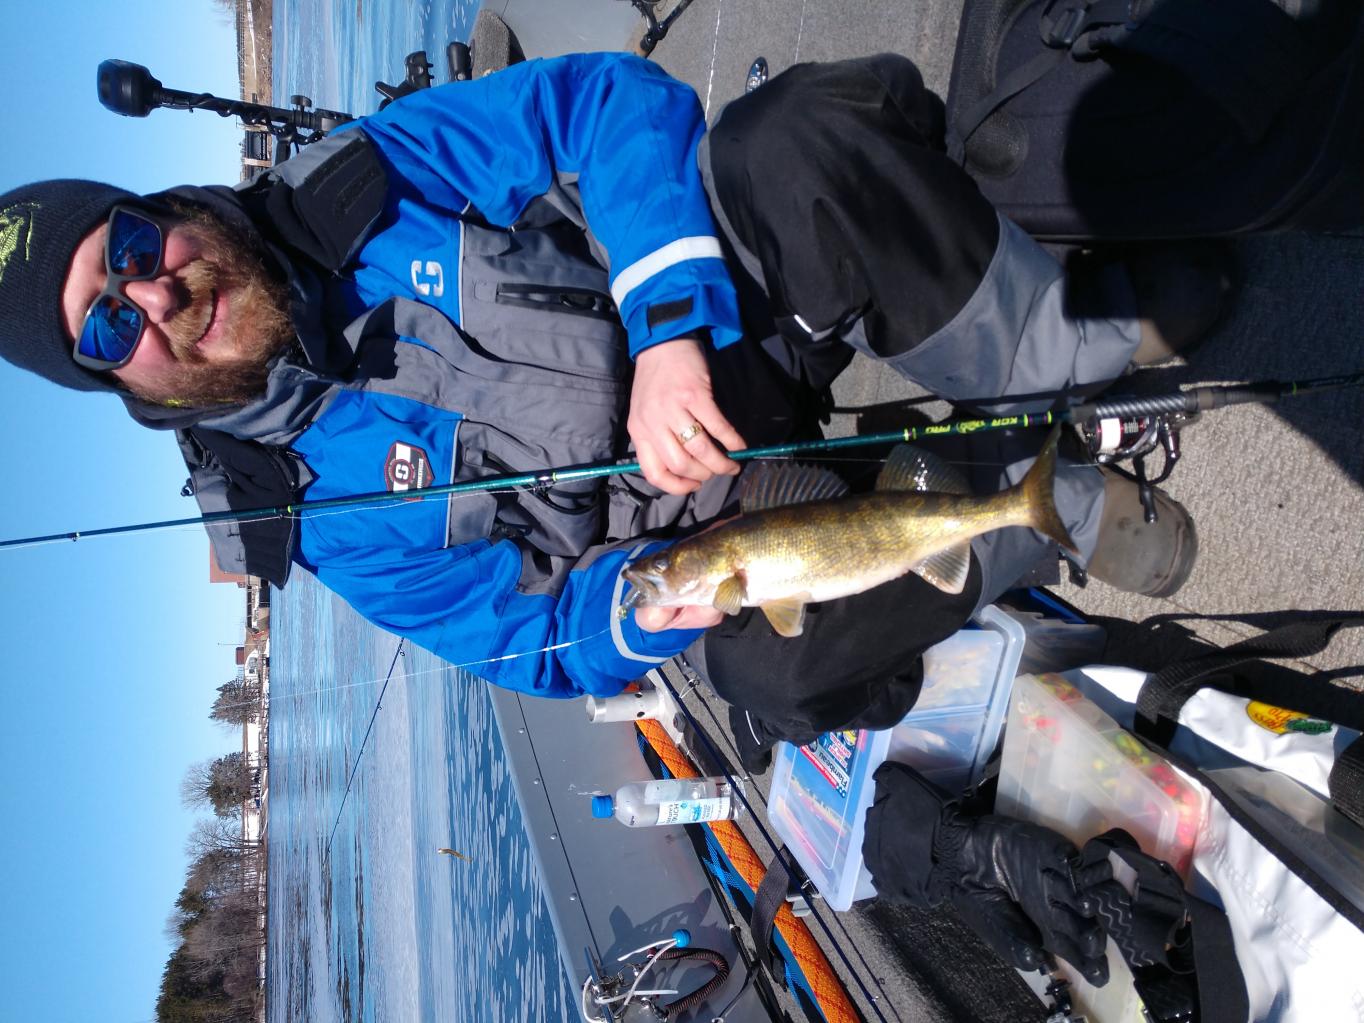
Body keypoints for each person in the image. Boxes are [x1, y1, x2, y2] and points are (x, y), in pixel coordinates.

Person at [0, 51, 1215, 981]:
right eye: (108, 325)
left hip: (707, 336)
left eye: (131, 247)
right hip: (688, 531)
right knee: (773, 674)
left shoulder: (350, 187)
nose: (155, 295)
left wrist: (667, 327)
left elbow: (596, 104)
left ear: (158, 209)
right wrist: (636, 614)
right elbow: (528, 641)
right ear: (119, 384)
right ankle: (1035, 501)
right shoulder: (315, 527)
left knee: (788, 140)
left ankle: (1056, 351)